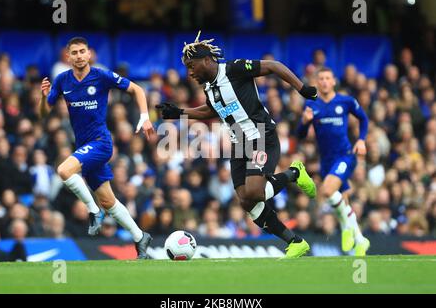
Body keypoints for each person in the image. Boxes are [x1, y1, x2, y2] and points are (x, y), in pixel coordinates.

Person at [156, 31, 317, 258]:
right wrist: (180, 112)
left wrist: (302, 88)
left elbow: (273, 65)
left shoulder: (234, 69)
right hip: (239, 142)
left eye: (191, 66)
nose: (189, 72)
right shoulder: (209, 88)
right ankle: (295, 242)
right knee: (246, 201)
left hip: (261, 135)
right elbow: (211, 110)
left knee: (255, 191)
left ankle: (294, 173)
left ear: (207, 60)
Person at [39, 37, 155, 259]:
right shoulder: (63, 80)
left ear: (89, 54)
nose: (79, 55)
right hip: (84, 147)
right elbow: (44, 113)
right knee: (109, 201)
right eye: (75, 52)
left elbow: (138, 90)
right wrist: (44, 99)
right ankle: (140, 237)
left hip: (101, 143)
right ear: (68, 56)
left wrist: (144, 117)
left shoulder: (101, 76)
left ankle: (93, 211)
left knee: (64, 170)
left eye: (83, 51)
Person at [297, 67, 370, 256]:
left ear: (334, 81)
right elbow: (300, 135)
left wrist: (361, 139)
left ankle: (346, 228)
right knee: (342, 202)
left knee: (327, 191)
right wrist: (304, 122)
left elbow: (363, 118)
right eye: (320, 78)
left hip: (345, 155)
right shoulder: (312, 104)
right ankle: (361, 240)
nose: (324, 82)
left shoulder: (345, 101)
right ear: (316, 82)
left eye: (327, 78)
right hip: (326, 161)